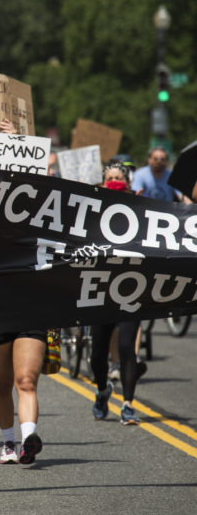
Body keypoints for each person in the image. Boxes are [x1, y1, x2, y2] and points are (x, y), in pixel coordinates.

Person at [91, 163, 144, 426]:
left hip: (130, 288)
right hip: (100, 289)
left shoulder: (142, 209)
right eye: (110, 179)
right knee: (97, 355)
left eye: (119, 179)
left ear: (128, 183)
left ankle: (128, 405)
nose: (114, 182)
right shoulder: (91, 209)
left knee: (126, 348)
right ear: (102, 184)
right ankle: (102, 391)